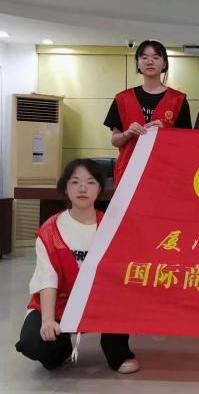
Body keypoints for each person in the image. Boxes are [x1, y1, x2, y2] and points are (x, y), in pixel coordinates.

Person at [15, 159, 139, 374]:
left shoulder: (112, 227)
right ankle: (60, 347)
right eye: (75, 182)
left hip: (99, 301)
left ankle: (117, 352)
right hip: (58, 304)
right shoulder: (49, 231)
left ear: (100, 189)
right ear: (65, 188)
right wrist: (47, 320)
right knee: (33, 344)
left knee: (122, 297)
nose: (83, 188)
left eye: (90, 182)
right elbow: (47, 278)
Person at [104, 40, 191, 184]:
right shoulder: (122, 98)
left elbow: (185, 143)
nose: (150, 61)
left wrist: (166, 132)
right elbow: (115, 141)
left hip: (165, 172)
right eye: (144, 57)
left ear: (164, 64)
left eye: (156, 57)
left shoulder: (178, 100)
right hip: (129, 172)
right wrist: (127, 133)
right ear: (138, 64)